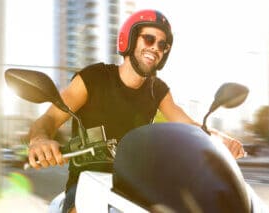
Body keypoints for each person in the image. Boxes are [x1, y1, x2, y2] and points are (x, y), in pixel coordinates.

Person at [27, 9, 245, 213]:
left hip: (137, 181)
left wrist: (219, 138)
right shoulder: (93, 78)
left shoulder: (157, 90)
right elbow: (50, 118)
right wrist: (39, 139)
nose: (156, 48)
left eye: (162, 45)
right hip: (89, 182)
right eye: (149, 39)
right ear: (129, 40)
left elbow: (188, 125)